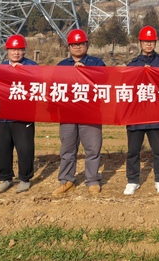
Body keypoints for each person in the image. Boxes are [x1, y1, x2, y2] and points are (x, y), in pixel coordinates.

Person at [53, 28, 105, 196]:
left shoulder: (97, 63)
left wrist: (86, 73)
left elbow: (104, 83)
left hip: (90, 113)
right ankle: (67, 180)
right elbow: (54, 86)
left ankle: (93, 180)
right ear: (69, 47)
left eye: (80, 44)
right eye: (74, 44)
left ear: (87, 45)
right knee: (67, 149)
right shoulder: (61, 65)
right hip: (68, 113)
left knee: (92, 148)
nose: (77, 47)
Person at [124, 25, 159, 195]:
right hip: (136, 114)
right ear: (140, 43)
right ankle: (132, 180)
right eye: (145, 41)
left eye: (151, 41)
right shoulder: (132, 64)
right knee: (133, 151)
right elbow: (126, 86)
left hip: (156, 113)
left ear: (155, 42)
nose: (149, 44)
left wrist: (153, 74)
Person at [0, 34, 37, 194]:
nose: (16, 52)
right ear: (7, 51)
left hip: (23, 116)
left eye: (19, 49)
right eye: (13, 49)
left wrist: (22, 72)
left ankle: (25, 179)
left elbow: (39, 85)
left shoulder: (32, 66)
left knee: (25, 148)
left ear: (24, 51)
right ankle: (5, 178)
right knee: (3, 148)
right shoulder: (1, 68)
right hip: (3, 116)